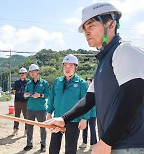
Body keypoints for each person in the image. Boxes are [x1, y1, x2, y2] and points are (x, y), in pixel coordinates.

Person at [45, 2, 144, 154]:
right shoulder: (102, 63)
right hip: (116, 145)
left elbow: (135, 97)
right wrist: (63, 119)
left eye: (91, 26)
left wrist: (106, 141)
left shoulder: (124, 50)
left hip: (132, 145)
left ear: (111, 24)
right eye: (85, 28)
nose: (86, 32)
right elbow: (89, 99)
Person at [46, 54, 90, 154]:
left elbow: (87, 102)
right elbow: (51, 98)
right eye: (65, 66)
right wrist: (49, 113)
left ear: (76, 67)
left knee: (70, 148)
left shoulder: (81, 83)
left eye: (71, 66)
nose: (67, 69)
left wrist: (84, 119)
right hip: (57, 118)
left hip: (74, 120)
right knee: (53, 146)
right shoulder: (57, 81)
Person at [23, 64, 50, 152]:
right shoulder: (29, 83)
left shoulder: (44, 83)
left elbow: (48, 94)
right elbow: (25, 93)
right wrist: (26, 95)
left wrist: (40, 95)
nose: (32, 73)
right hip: (30, 107)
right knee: (29, 127)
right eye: (30, 72)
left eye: (33, 71)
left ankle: (43, 144)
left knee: (42, 127)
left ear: (38, 71)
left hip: (41, 108)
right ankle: (29, 144)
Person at [79, 78, 97, 151]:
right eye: (87, 83)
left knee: (92, 128)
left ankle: (93, 143)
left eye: (89, 83)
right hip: (85, 114)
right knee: (84, 128)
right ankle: (84, 142)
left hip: (92, 114)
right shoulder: (84, 92)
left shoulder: (95, 92)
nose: (88, 84)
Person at [12, 67, 29, 136]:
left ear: (26, 74)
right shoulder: (16, 82)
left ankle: (26, 130)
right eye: (20, 73)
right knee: (16, 116)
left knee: (26, 116)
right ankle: (15, 129)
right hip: (17, 101)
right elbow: (14, 91)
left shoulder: (28, 82)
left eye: (23, 73)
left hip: (25, 101)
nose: (21, 74)